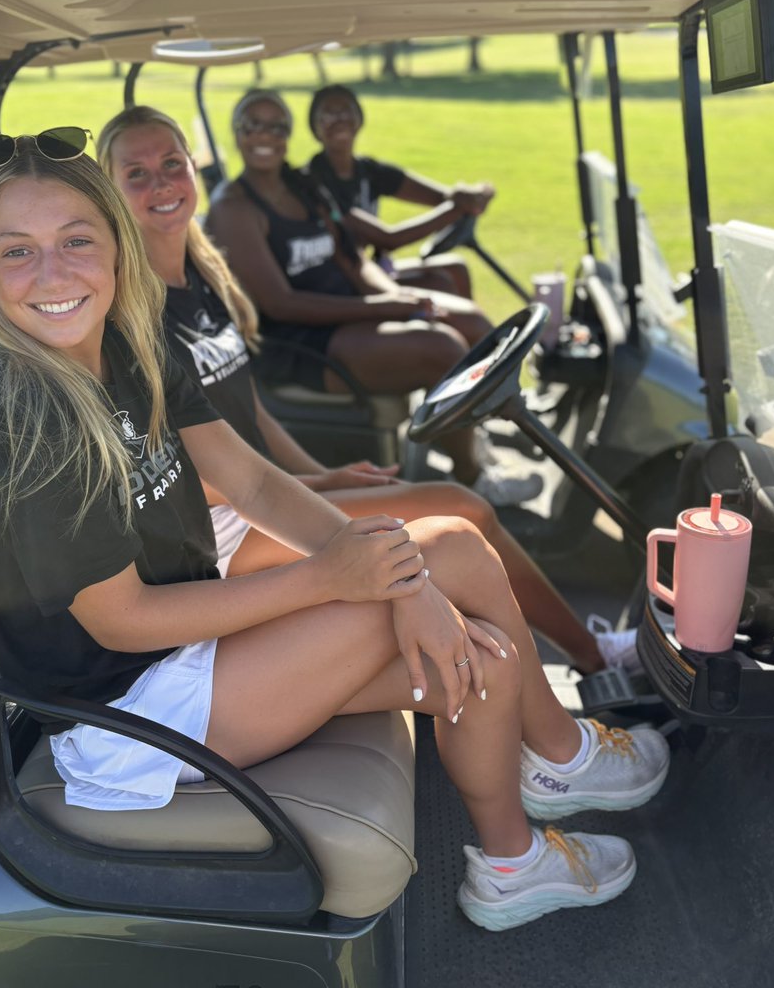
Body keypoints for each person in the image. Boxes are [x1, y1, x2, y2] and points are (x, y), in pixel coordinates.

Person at [0, 127, 670, 932]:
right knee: (451, 565)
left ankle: (513, 863)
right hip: (124, 714)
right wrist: (334, 577)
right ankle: (557, 772)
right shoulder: (20, 420)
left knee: (481, 651)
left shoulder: (128, 345)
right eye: (17, 251)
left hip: (185, 652)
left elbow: (250, 480)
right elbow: (124, 620)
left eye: (76, 240)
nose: (53, 273)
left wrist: (393, 575)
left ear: (115, 243)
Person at [98, 104, 638, 677]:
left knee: (450, 512)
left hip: (268, 499)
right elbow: (184, 473)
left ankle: (557, 664)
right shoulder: (130, 313)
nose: (161, 183)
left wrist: (325, 476)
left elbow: (250, 411)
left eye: (172, 163)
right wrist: (315, 487)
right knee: (464, 509)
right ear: (108, 190)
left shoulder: (204, 276)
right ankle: (596, 658)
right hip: (218, 529)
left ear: (192, 168)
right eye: (137, 173)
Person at [205, 88, 540, 508]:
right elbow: (281, 304)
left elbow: (351, 258)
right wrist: (386, 308)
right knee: (443, 349)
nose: (264, 135)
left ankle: (470, 438)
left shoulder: (303, 186)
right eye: (252, 125)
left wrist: (397, 295)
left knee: (474, 324)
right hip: (300, 342)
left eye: (276, 126)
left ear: (289, 135)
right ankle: (472, 479)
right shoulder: (234, 208)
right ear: (237, 132)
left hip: (347, 315)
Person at [307, 82, 493, 297]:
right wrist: (457, 209)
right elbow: (389, 239)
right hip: (343, 277)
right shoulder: (314, 180)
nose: (340, 119)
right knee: (440, 285)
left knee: (456, 269)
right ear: (315, 127)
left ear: (359, 119)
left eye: (346, 111)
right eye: (329, 113)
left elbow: (443, 196)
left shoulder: (369, 170)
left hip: (372, 266)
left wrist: (475, 195)